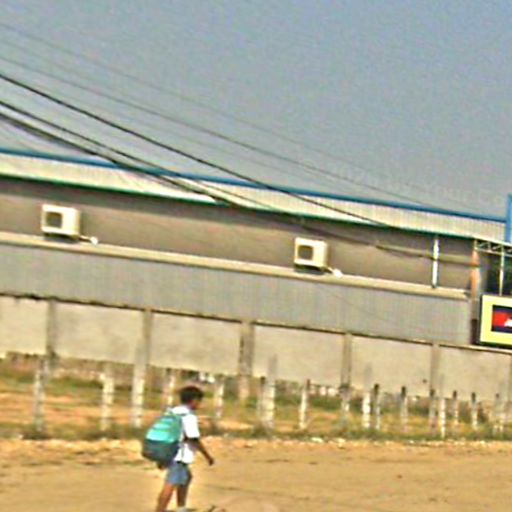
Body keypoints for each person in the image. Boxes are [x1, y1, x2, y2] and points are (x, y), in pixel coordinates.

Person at [155, 385, 215, 512]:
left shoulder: (171, 412)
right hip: (180, 455)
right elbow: (193, 438)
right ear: (194, 400)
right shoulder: (188, 416)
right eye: (199, 401)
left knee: (186, 478)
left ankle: (181, 507)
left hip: (168, 451)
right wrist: (207, 456)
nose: (199, 404)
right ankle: (160, 510)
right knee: (170, 484)